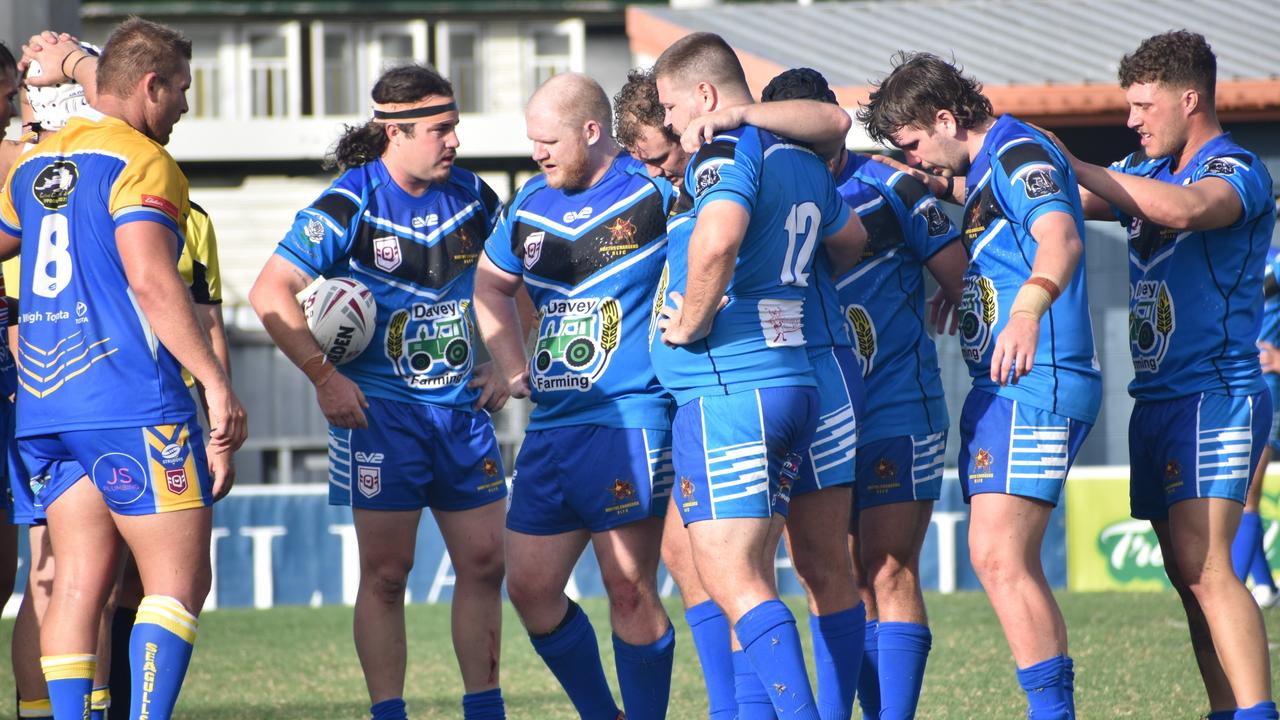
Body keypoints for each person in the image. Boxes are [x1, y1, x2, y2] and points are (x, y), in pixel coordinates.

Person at [0, 16, 246, 720]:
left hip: (46, 404)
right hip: (128, 399)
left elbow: (8, 239)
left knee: (76, 585)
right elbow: (150, 279)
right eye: (183, 90)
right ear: (152, 87)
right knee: (178, 579)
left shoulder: (38, 160)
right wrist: (216, 382)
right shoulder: (143, 160)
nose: (186, 106)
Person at [249, 64, 508, 720]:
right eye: (441, 130)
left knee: (484, 563)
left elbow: (511, 283)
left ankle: (486, 709)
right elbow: (269, 291)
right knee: (387, 574)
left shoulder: (477, 197)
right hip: (378, 418)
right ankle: (388, 712)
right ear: (395, 132)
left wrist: (507, 363)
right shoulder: (349, 202)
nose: (454, 141)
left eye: (455, 127)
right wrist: (324, 376)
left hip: (461, 414)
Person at [860, 52, 1100, 719]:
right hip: (1007, 388)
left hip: (1039, 379)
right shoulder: (989, 166)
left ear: (944, 118)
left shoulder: (1018, 150)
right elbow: (1003, 235)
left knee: (997, 557)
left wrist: (1022, 311)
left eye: (912, 144)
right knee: (996, 557)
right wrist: (974, 294)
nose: (914, 160)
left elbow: (1060, 239)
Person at [1052, 31, 1277, 720]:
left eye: (1143, 105)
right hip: (1156, 401)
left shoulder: (1236, 168)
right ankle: (1224, 710)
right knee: (1187, 579)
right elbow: (1075, 199)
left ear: (1190, 99)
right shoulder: (1142, 168)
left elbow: (1181, 210)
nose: (1132, 120)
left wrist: (1073, 163)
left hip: (1216, 394)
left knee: (1210, 570)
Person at [652, 32, 866, 720]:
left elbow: (717, 236)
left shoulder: (720, 146)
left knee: (734, 576)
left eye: (670, 107)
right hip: (793, 380)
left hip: (729, 388)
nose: (668, 125)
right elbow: (852, 238)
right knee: (782, 570)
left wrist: (689, 320)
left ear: (706, 96)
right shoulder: (801, 158)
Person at [758, 66, 968, 719]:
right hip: (812, 411)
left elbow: (962, 276)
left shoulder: (893, 186)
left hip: (896, 404)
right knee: (832, 575)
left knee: (887, 568)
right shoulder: (762, 185)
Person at [473, 72, 676, 720]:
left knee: (627, 587)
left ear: (592, 131)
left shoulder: (653, 192)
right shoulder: (528, 202)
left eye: (547, 140)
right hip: (552, 426)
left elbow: (715, 251)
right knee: (531, 589)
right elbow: (489, 287)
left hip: (631, 418)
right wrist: (512, 366)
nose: (537, 152)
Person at [1235, 245, 1280, 608]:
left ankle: (1228, 593)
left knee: (1246, 491)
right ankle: (1265, 586)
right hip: (1239, 390)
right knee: (1241, 492)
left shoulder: (1275, 262)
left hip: (1267, 393)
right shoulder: (1234, 252)